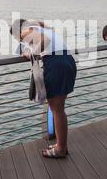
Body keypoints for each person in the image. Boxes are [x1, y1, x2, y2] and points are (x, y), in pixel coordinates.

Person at [10, 19, 77, 158]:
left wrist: (31, 53)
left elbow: (44, 41)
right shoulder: (42, 28)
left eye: (16, 37)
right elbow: (46, 31)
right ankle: (61, 145)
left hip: (56, 64)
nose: (19, 40)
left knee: (57, 110)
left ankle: (61, 149)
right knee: (59, 109)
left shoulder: (26, 31)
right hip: (67, 60)